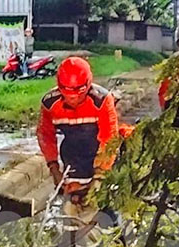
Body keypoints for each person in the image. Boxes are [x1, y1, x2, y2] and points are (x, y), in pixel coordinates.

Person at [37, 57, 119, 232]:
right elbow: (45, 135)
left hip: (99, 154)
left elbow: (109, 138)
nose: (73, 99)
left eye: (78, 94)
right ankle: (72, 242)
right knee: (71, 209)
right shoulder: (50, 103)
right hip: (71, 156)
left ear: (87, 86)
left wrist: (99, 177)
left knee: (106, 208)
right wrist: (54, 168)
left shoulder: (102, 100)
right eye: (67, 94)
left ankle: (117, 240)